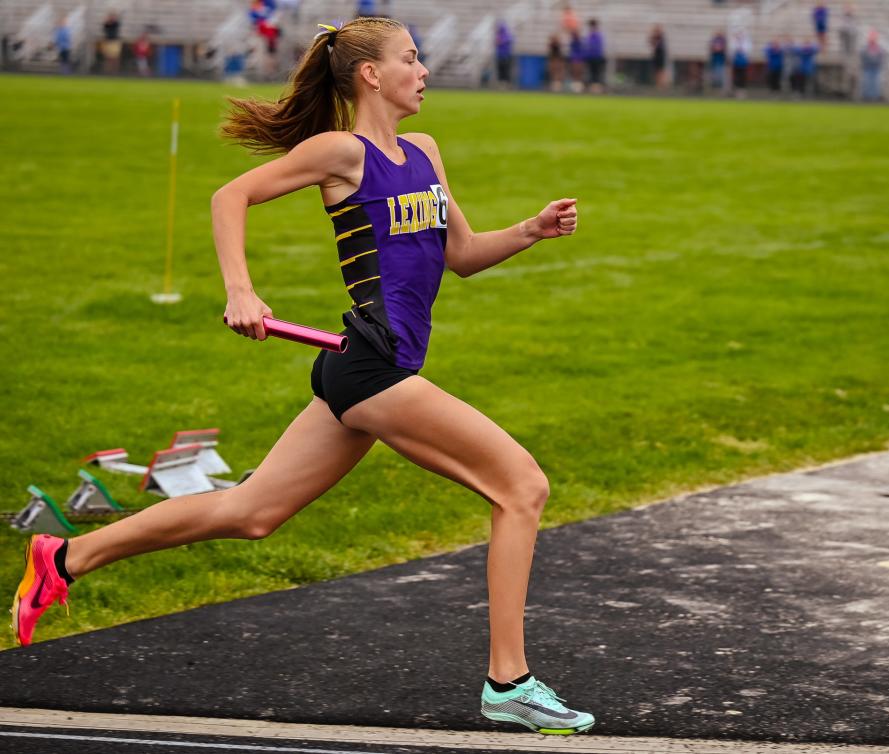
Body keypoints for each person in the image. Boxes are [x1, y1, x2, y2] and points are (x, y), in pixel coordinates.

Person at [12, 16, 595, 738]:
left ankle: (65, 555)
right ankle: (509, 681)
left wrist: (530, 231)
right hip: (373, 368)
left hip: (370, 368)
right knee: (522, 485)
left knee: (251, 513)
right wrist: (240, 290)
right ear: (370, 75)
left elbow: (463, 254)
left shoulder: (425, 152)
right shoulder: (339, 152)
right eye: (410, 59)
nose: (424, 70)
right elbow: (230, 197)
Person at [859, 28, 883, 101]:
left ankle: (875, 97)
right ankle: (866, 97)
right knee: (866, 82)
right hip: (867, 67)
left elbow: (881, 57)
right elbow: (863, 56)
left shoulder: (879, 48)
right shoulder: (865, 48)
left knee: (876, 83)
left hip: (876, 67)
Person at [584, 18, 606, 93]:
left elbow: (597, 46)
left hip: (596, 56)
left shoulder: (597, 35)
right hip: (590, 57)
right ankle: (592, 87)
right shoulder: (590, 35)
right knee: (591, 72)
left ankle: (597, 88)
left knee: (596, 73)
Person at [731, 30, 751, 98]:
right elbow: (733, 51)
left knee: (743, 77)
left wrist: (741, 49)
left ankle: (742, 91)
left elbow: (747, 51)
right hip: (736, 62)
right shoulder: (734, 43)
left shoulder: (746, 43)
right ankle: (736, 91)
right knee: (736, 77)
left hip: (743, 63)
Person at [495, 21, 513, 88]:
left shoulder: (507, 35)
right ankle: (501, 83)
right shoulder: (500, 35)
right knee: (500, 70)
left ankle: (506, 84)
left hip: (505, 56)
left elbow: (503, 42)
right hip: (500, 55)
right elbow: (497, 42)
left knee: (506, 70)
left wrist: (501, 41)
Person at [650, 24, 668, 90]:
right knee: (657, 70)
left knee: (661, 71)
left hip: (660, 55)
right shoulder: (655, 38)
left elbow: (658, 46)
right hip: (656, 55)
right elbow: (652, 44)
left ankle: (663, 85)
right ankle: (658, 85)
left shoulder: (661, 38)